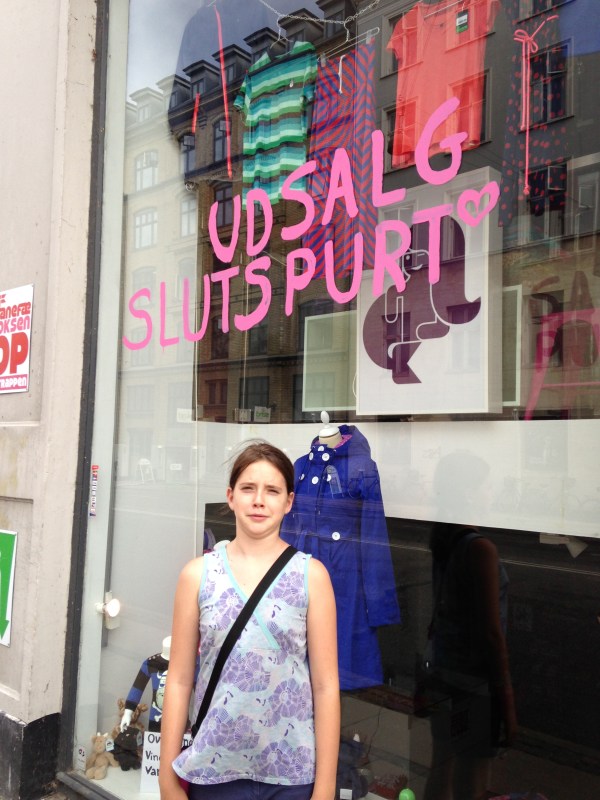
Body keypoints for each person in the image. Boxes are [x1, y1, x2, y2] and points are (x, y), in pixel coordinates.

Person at [159, 440, 340, 800]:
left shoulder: (312, 577)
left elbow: (325, 687)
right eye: (248, 488)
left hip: (291, 776)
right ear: (230, 497)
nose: (259, 500)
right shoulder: (198, 575)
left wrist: (324, 787)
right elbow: (178, 680)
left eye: (272, 490)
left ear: (289, 501)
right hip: (212, 771)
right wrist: (167, 778)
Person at [422, 452, 518, 800]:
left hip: (443, 677)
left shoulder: (444, 540)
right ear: (468, 492)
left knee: (441, 769)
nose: (491, 492)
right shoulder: (480, 550)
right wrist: (506, 699)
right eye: (486, 485)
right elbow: (491, 634)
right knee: (472, 780)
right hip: (472, 687)